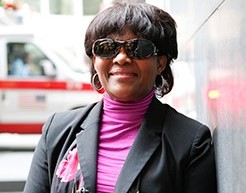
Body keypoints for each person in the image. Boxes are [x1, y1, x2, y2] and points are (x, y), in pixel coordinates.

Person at [23, 2, 217, 193]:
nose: (121, 58)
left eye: (138, 48)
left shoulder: (191, 141)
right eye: (107, 48)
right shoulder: (57, 130)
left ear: (160, 63)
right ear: (95, 61)